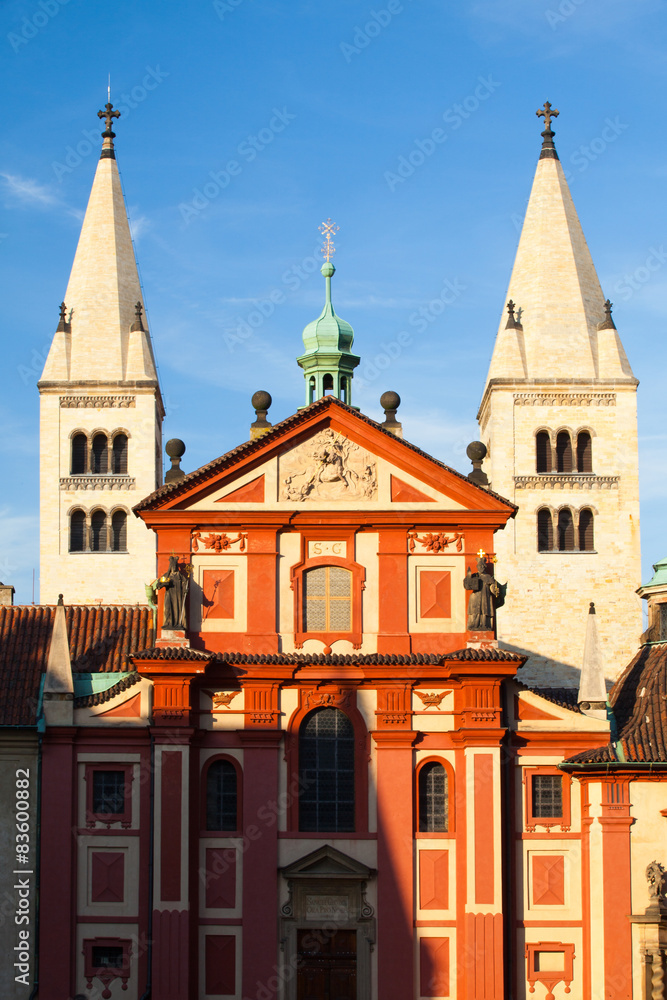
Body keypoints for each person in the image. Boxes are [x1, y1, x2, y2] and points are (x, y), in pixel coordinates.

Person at [463, 555, 505, 631]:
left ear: (484, 567)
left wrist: (495, 590)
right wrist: (468, 578)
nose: (481, 567)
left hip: (485, 596)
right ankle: (474, 625)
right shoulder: (474, 576)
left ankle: (485, 625)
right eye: (480, 566)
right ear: (477, 567)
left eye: (482, 566)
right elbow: (467, 585)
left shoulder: (488, 577)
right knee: (475, 611)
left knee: (485, 611)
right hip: (475, 597)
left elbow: (492, 587)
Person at [156, 555, 189, 629]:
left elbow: (185, 583)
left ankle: (178, 623)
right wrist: (164, 583)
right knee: (168, 608)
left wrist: (185, 590)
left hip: (178, 595)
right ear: (170, 567)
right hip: (169, 594)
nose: (173, 568)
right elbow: (158, 585)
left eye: (174, 566)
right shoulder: (166, 576)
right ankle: (168, 623)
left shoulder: (180, 576)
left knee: (178, 609)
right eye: (172, 566)